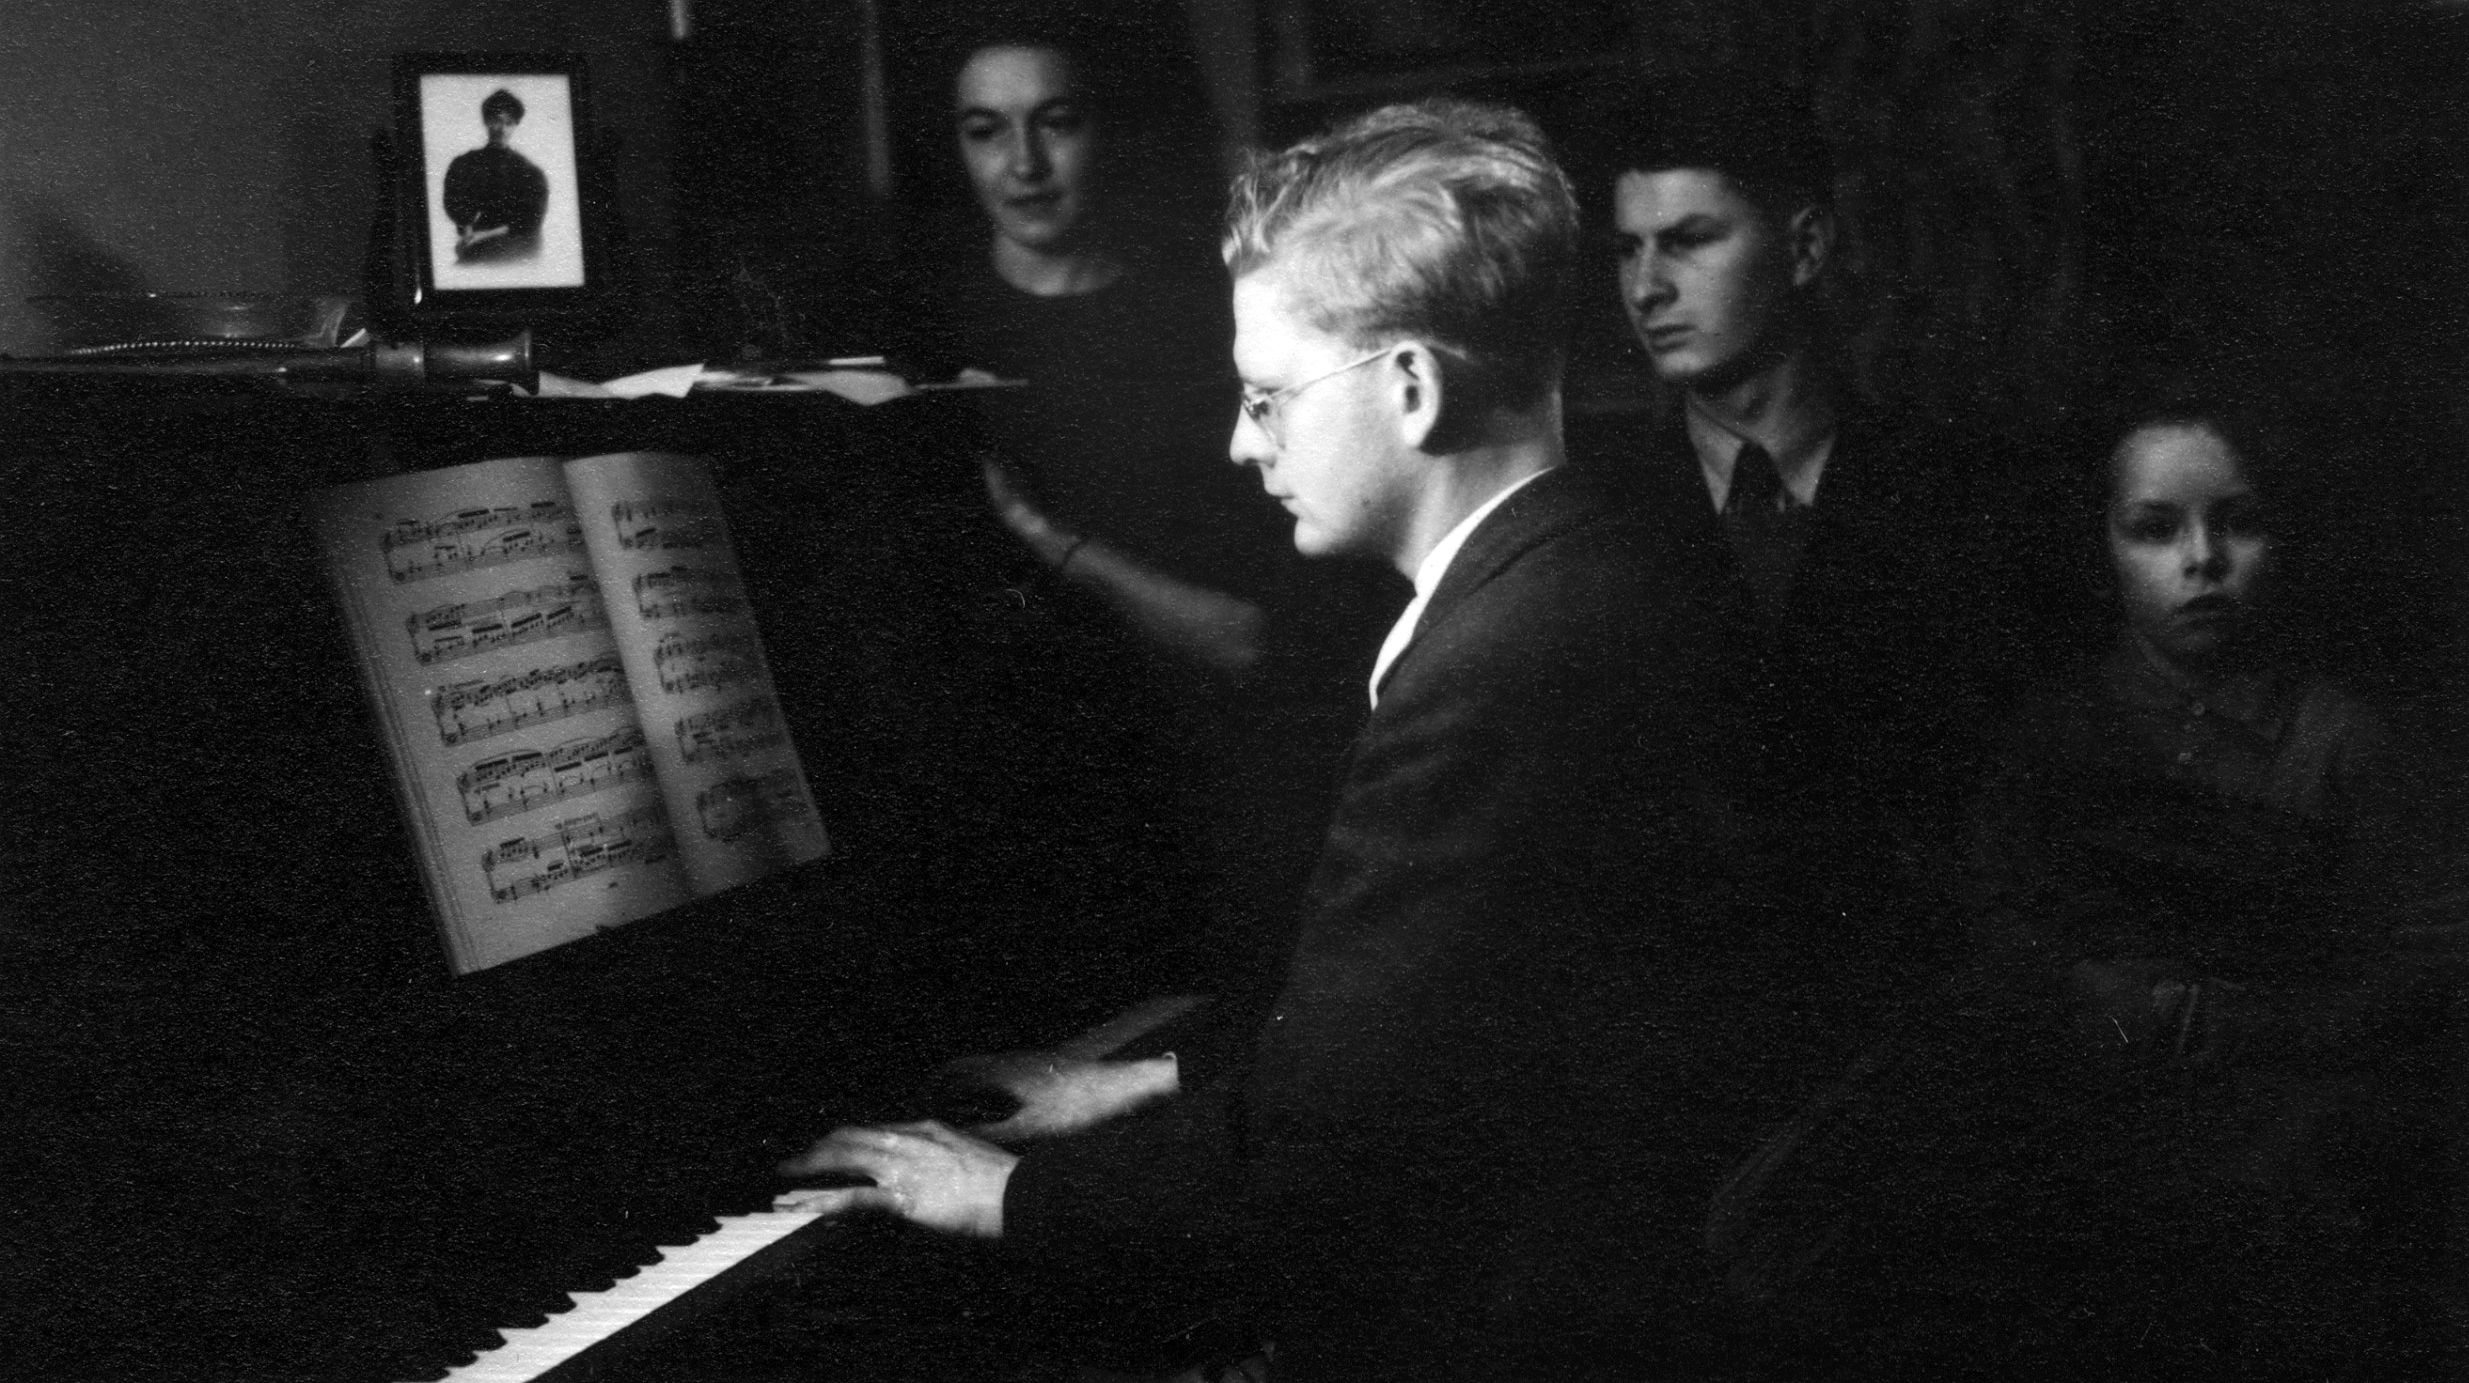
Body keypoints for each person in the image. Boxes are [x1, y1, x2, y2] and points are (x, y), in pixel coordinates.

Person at [783, 98, 1744, 1379]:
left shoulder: (1502, 670)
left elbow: (1335, 1153)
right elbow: (1431, 1027)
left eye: (1266, 397)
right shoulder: (1594, 565)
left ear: (1409, 387)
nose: (1244, 444)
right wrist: (1145, 1079)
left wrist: (1007, 1198)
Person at [441, 88, 548, 264]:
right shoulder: (464, 163)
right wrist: (467, 228)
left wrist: (482, 235)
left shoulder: (529, 171)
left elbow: (530, 220)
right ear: (486, 121)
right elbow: (455, 201)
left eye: (509, 123)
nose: (502, 129)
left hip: (519, 246)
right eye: (496, 121)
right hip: (477, 242)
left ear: (515, 126)